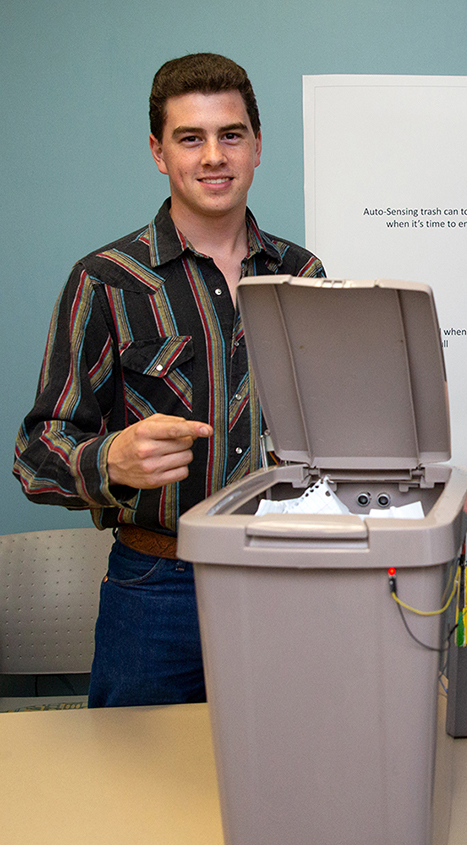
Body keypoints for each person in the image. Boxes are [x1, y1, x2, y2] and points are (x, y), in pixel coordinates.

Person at [13, 53, 325, 705]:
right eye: (191, 137)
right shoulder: (107, 280)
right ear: (159, 152)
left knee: (287, 785)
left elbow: (334, 433)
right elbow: (36, 454)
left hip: (288, 579)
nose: (214, 155)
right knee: (135, 794)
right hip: (157, 589)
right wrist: (111, 459)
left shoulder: (304, 274)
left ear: (257, 147)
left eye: (230, 135)